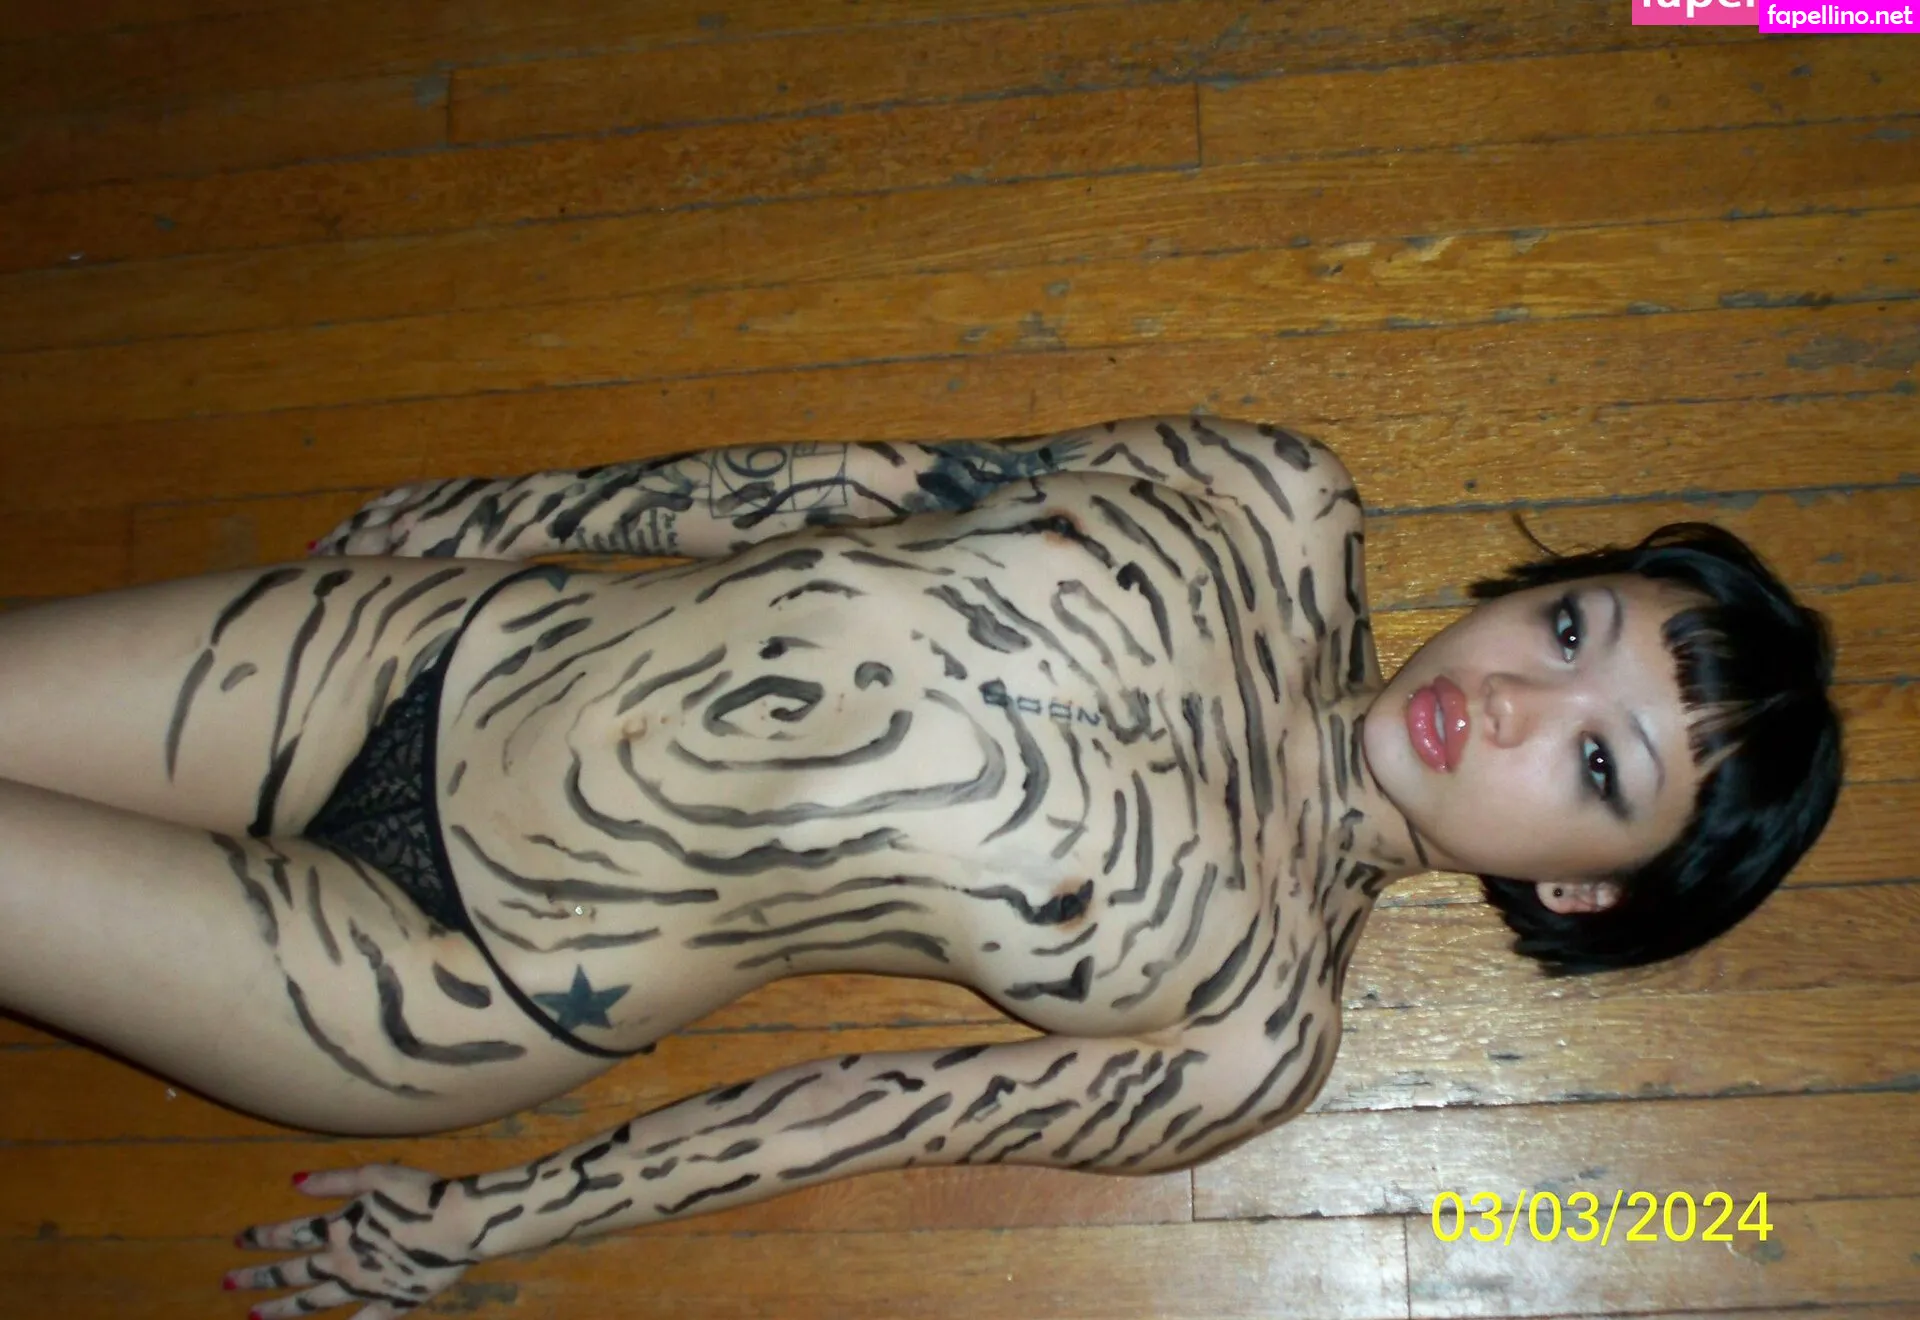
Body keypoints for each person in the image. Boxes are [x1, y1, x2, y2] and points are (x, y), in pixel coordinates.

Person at [0, 417, 1840, 1319]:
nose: (1514, 701)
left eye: (1596, 764)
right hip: (412, 649)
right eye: (1574, 628)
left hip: (439, 974)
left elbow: (864, 1111)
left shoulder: (1257, 1029)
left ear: (1583, 892)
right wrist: (509, 515)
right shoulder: (1274, 497)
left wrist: (479, 1228)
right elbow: (856, 481)